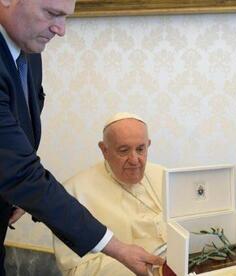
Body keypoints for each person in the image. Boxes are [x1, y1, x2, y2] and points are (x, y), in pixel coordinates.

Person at [0, 1, 162, 275]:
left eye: (65, 17)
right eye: (51, 13)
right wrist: (118, 249)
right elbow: (22, 173)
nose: (60, 30)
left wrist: (13, 187)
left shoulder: (28, 51)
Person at [53, 113, 167, 276]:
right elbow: (75, 269)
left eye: (140, 149)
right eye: (124, 150)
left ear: (148, 145)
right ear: (104, 150)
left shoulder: (164, 175)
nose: (135, 160)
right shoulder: (73, 192)